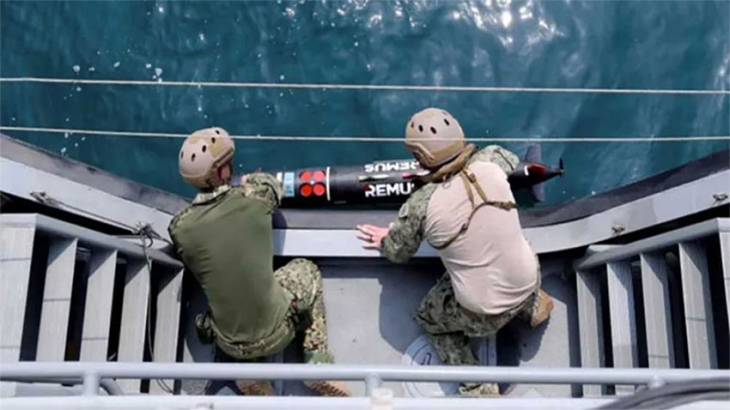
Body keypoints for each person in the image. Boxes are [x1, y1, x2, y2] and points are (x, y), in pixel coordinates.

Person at [356, 108, 554, 397]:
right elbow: (511, 160)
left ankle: (477, 386)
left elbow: (398, 252)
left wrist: (387, 238)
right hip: (529, 279)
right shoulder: (492, 159)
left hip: (484, 313)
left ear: (420, 158)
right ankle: (533, 306)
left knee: (429, 317)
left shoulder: (420, 205)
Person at [168, 127, 351, 397]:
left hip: (230, 345)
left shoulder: (179, 228)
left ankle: (249, 374)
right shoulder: (254, 196)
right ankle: (317, 364)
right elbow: (272, 186)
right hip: (278, 331)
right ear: (223, 170)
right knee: (306, 269)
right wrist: (250, 179)